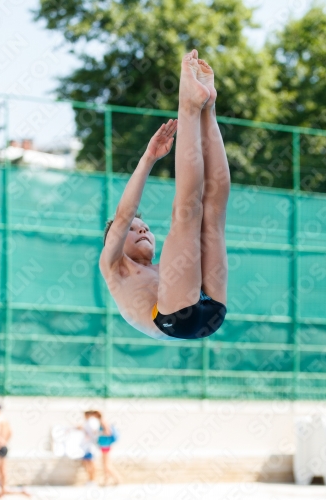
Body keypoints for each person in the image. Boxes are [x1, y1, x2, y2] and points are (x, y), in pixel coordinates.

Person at [100, 49, 229, 340]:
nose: (143, 228)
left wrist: (150, 156)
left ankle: (206, 106)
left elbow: (128, 218)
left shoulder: (163, 268)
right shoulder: (115, 266)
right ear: (114, 242)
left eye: (143, 227)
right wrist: (148, 158)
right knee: (191, 214)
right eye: (134, 230)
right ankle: (189, 104)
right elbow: (123, 216)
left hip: (204, 310)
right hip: (177, 318)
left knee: (211, 214)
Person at [93, 411, 120, 486]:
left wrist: (98, 433)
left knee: (106, 464)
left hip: (106, 445)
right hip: (104, 446)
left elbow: (108, 432)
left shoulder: (102, 422)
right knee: (105, 464)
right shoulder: (100, 422)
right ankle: (106, 480)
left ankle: (117, 479)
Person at [0, 404, 11, 497]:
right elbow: (10, 432)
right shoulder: (5, 420)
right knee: (3, 469)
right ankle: (3, 489)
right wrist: (4, 442)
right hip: (4, 446)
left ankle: (1, 489)